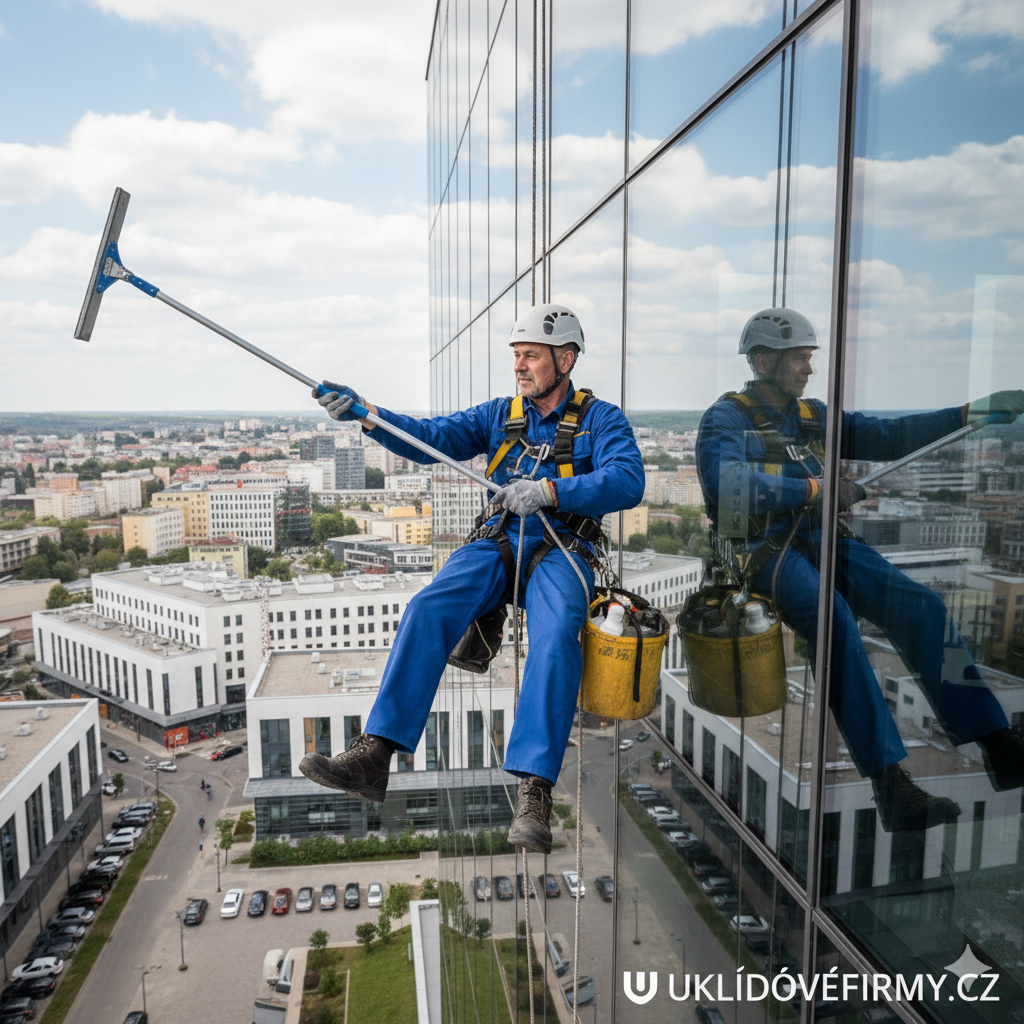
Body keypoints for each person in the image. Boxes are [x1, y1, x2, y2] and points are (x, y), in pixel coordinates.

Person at [299, 303, 644, 853]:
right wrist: (365, 414)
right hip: (501, 541)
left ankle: (535, 789)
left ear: (566, 358)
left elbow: (627, 481)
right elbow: (428, 438)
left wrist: (552, 492)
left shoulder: (602, 420)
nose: (521, 366)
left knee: (555, 641)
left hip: (562, 547)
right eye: (517, 355)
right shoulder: (498, 415)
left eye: (531, 355)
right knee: (428, 607)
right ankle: (376, 754)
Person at [696, 307, 1024, 832]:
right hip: (763, 552)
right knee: (837, 622)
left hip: (819, 539)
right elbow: (728, 485)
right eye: (799, 358)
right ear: (763, 360)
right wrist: (816, 488)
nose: (807, 368)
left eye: (809, 358)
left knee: (922, 607)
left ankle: (994, 741)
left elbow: (889, 435)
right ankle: (890, 784)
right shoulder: (726, 419)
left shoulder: (811, 416)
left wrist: (967, 414)